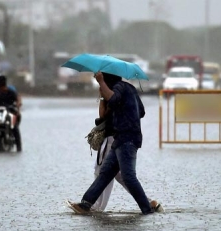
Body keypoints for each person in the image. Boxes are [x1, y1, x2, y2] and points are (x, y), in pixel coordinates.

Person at [68, 72, 161, 215]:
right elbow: (140, 111)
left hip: (127, 138)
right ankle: (86, 204)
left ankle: (147, 208)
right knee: (105, 173)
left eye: (102, 78)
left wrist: (101, 83)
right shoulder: (128, 89)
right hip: (120, 139)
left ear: (107, 79)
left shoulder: (120, 88)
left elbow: (114, 99)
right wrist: (118, 105)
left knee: (128, 176)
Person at [91, 88, 163, 213]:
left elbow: (103, 114)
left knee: (103, 172)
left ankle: (96, 206)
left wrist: (102, 96)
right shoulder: (125, 91)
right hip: (119, 137)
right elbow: (140, 111)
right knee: (119, 175)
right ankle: (148, 202)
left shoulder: (113, 92)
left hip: (113, 138)